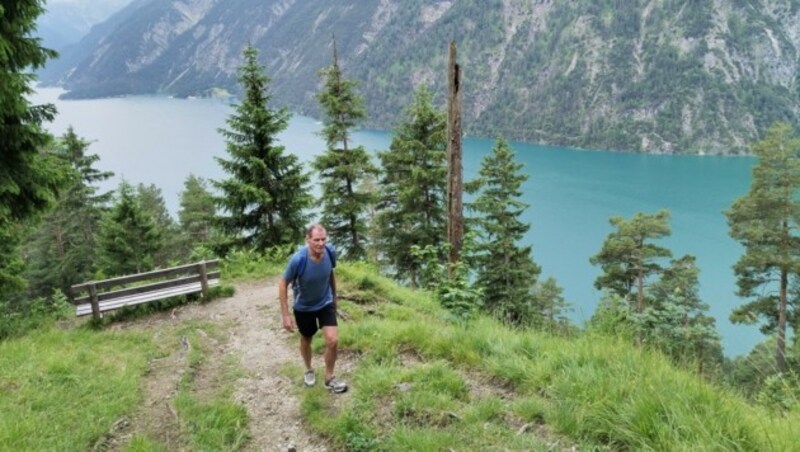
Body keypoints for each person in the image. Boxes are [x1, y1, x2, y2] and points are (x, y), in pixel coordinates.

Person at [278, 224, 347, 393]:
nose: (321, 243)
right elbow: (283, 284)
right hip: (304, 307)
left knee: (333, 340)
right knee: (306, 339)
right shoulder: (298, 259)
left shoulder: (330, 252)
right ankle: (309, 369)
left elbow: (330, 273)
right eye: (316, 240)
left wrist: (334, 297)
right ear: (308, 240)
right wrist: (286, 315)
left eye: (323, 239)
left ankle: (329, 378)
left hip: (325, 303)